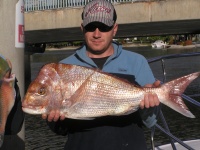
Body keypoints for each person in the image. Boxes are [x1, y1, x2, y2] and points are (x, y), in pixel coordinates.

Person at [42, 0, 160, 149]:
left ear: (114, 29)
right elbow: (61, 130)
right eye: (91, 27)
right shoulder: (64, 68)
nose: (97, 34)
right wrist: (54, 120)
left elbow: (150, 122)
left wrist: (149, 107)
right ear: (82, 28)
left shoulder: (137, 62)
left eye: (104, 27)